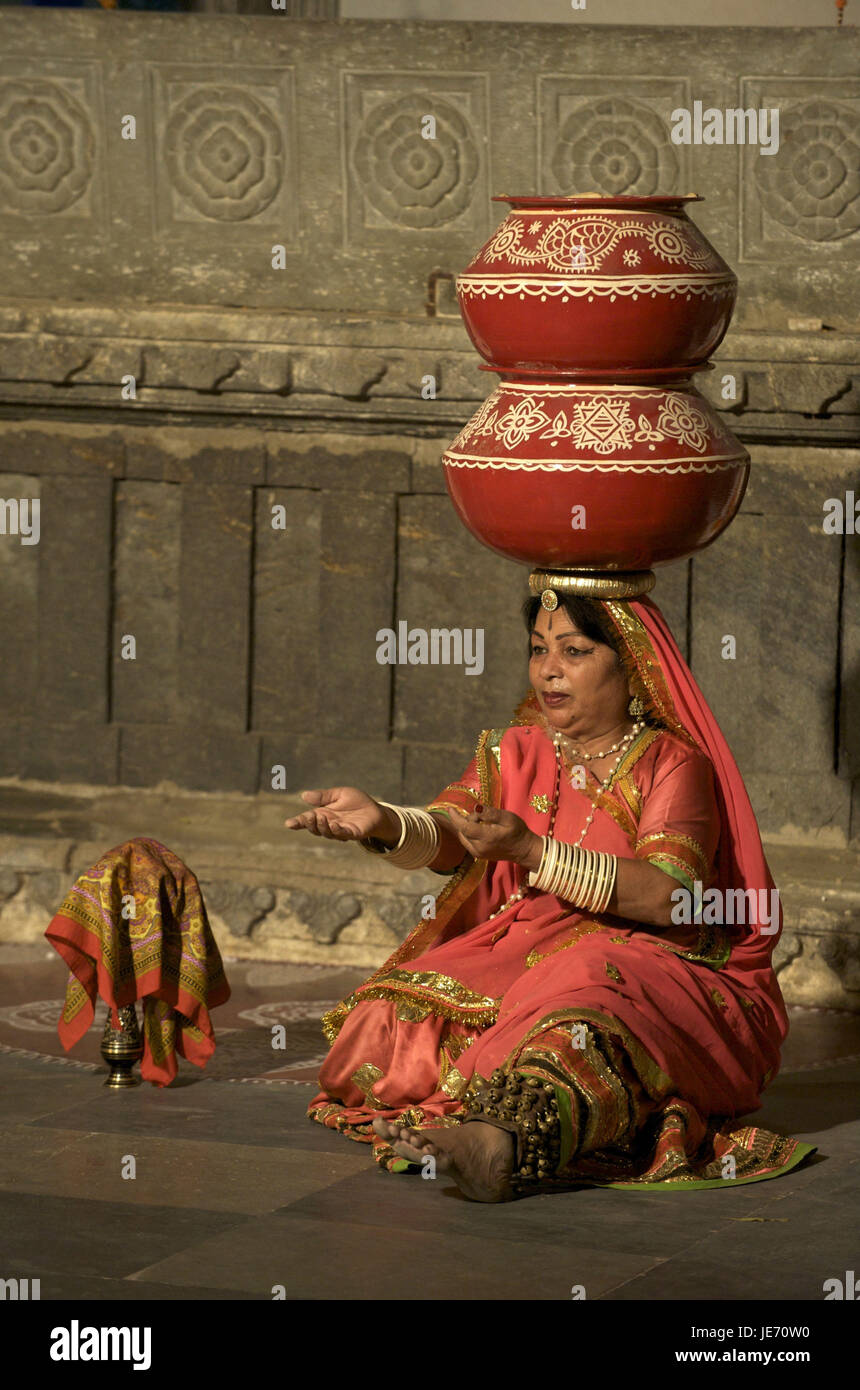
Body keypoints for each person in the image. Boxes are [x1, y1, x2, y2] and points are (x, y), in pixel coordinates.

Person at [286, 588, 815, 1202]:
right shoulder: (517, 749)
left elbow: (672, 900)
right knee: (383, 1019)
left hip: (649, 962)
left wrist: (534, 852)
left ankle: (496, 1144)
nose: (548, 669)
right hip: (524, 948)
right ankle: (478, 1117)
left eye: (575, 650)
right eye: (538, 649)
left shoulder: (671, 764)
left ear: (634, 664)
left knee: (581, 1001)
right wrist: (383, 822)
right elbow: (458, 836)